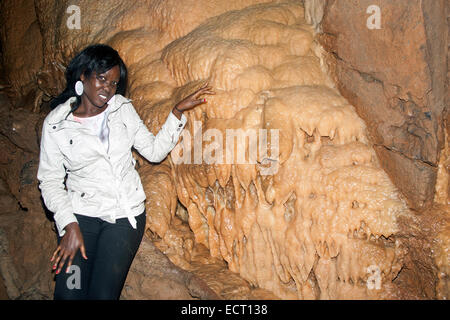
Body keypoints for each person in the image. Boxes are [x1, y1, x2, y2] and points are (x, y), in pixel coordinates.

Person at [37, 44, 214, 300]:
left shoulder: (121, 109)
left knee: (102, 296)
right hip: (79, 217)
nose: (107, 89)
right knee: (70, 293)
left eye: (113, 83)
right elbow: (50, 181)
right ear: (82, 76)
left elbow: (153, 151)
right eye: (101, 79)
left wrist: (177, 112)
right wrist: (68, 224)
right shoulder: (57, 124)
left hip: (123, 215)